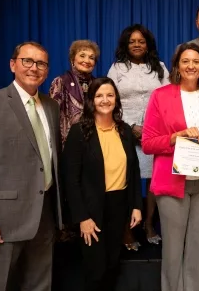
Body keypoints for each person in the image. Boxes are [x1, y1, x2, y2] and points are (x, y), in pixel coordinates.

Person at [0, 41, 63, 291]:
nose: (34, 68)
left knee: (40, 285)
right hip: (3, 222)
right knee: (0, 285)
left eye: (41, 63)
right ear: (13, 65)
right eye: (27, 61)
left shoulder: (51, 107)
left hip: (44, 216)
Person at [142, 43, 199, 291]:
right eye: (185, 61)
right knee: (173, 250)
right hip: (173, 183)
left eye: (196, 61)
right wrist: (175, 137)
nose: (191, 66)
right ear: (177, 65)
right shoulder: (162, 95)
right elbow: (147, 143)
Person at [61, 77, 143, 291]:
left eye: (110, 95)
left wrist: (136, 205)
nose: (105, 100)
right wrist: (82, 217)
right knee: (95, 270)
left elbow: (133, 171)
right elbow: (71, 179)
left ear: (116, 99)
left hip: (119, 206)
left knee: (113, 265)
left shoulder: (124, 130)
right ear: (91, 100)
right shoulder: (79, 132)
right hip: (91, 210)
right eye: (99, 96)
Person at [107, 24, 168, 250]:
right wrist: (130, 127)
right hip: (124, 131)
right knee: (126, 180)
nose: (137, 44)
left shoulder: (160, 68)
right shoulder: (117, 68)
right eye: (132, 41)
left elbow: (168, 100)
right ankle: (126, 229)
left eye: (141, 41)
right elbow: (109, 99)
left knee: (154, 181)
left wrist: (153, 131)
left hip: (154, 133)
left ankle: (149, 225)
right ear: (126, 44)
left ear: (148, 44)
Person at [49, 40, 100, 146]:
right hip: (68, 143)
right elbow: (51, 117)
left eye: (91, 57)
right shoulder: (61, 82)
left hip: (94, 141)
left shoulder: (98, 85)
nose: (87, 60)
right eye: (82, 55)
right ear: (73, 59)